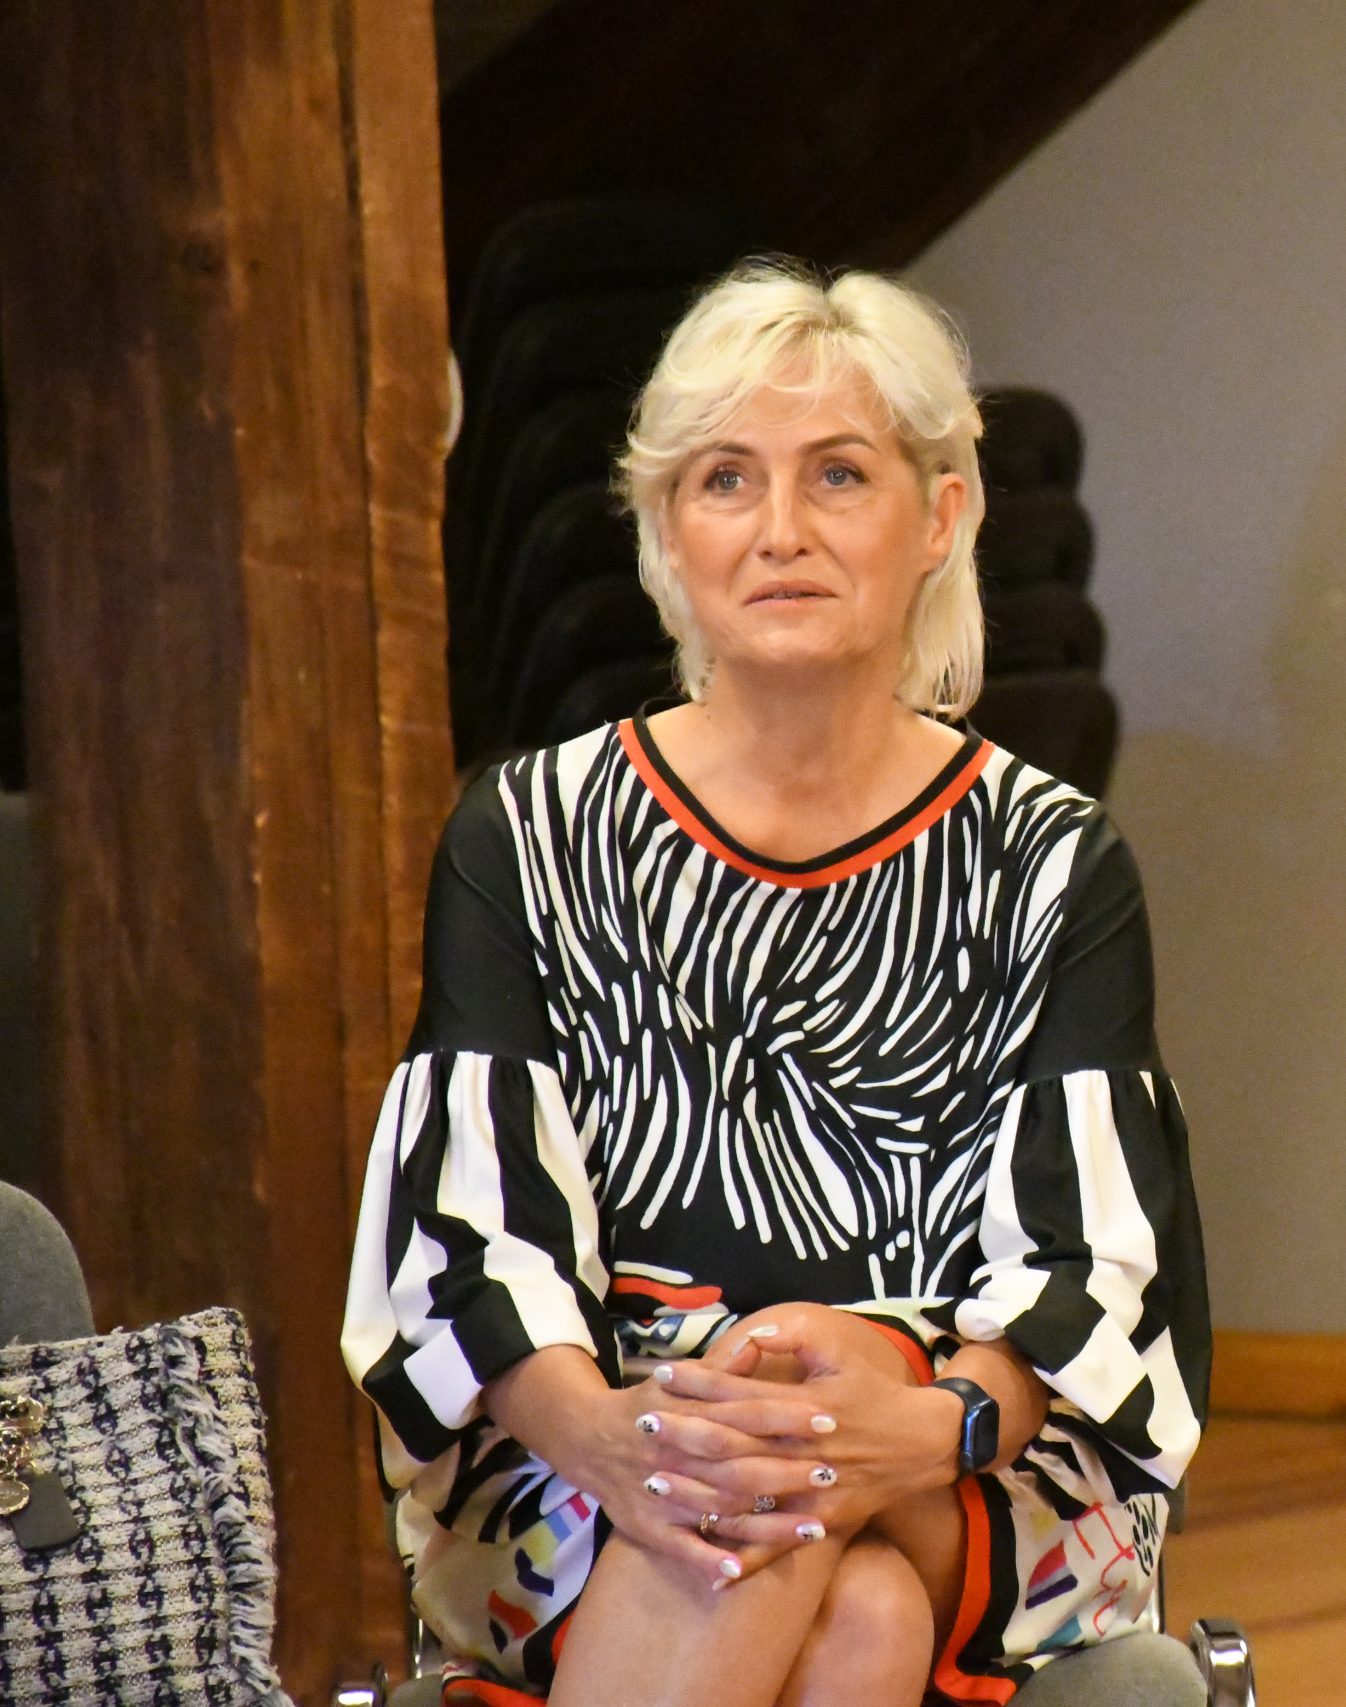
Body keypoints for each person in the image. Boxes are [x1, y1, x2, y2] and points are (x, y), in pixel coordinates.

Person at [340, 260, 1209, 1707]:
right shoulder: (526, 834)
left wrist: (911, 1424)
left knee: (781, 1456)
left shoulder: (1055, 860)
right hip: (592, 1446)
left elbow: (1089, 1274)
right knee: (848, 1604)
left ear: (941, 516)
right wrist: (626, 1439)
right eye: (726, 480)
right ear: (666, 533)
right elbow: (472, 1250)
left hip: (967, 1453)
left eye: (839, 475)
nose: (780, 530)